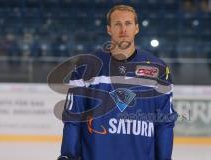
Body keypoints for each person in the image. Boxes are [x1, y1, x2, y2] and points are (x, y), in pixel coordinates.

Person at [58, 4, 177, 160]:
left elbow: (164, 123)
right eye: (117, 24)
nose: (123, 30)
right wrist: (68, 156)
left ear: (136, 28)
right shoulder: (87, 66)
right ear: (109, 29)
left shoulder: (158, 69)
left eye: (128, 23)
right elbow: (73, 117)